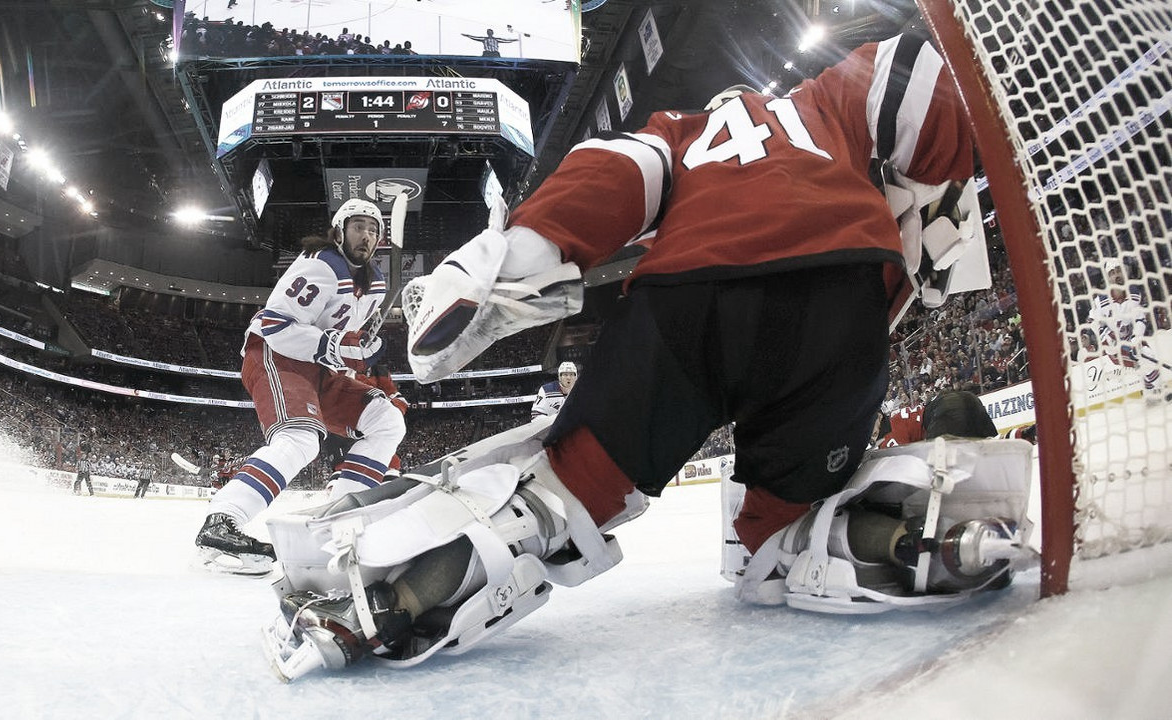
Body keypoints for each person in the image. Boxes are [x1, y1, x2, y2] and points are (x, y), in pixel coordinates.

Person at [261, 31, 996, 676]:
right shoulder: (823, 104)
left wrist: (503, 261)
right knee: (782, 538)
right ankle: (922, 534)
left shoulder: (677, 132)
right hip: (841, 298)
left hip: (688, 305)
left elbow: (607, 178)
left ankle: (383, 603)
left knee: (558, 501)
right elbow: (915, 78)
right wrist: (933, 187)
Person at [193, 198, 407, 575]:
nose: (368, 235)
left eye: (374, 230)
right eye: (359, 226)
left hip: (318, 367)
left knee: (387, 421)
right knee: (300, 440)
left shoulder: (374, 284)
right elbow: (277, 326)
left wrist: (359, 352)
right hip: (278, 354)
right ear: (340, 231)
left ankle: (337, 517)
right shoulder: (321, 265)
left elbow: (343, 341)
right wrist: (338, 347)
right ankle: (222, 521)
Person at [1090, 259, 1169, 405]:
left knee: (1145, 356)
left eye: (1119, 271)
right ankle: (1162, 391)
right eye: (1112, 273)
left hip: (1131, 339)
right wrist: (1107, 336)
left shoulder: (1134, 293)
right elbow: (1092, 322)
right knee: (1145, 356)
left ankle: (1150, 393)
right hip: (1113, 347)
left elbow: (1140, 319)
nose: (1117, 275)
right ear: (1108, 278)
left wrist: (1136, 337)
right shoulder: (1100, 301)